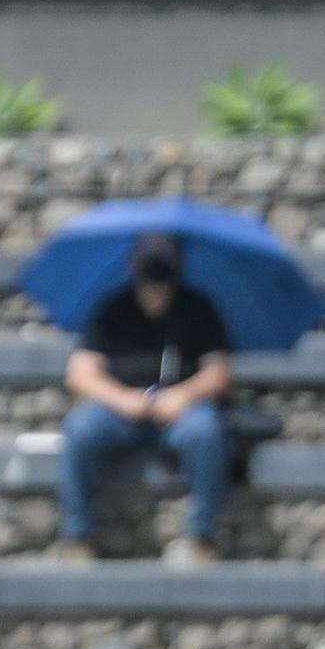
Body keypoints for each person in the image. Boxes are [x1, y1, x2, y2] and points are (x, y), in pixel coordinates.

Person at [59, 234, 232, 566]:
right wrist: (122, 398)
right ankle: (79, 536)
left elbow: (219, 371)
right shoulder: (113, 307)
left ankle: (202, 536)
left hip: (181, 412)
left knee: (206, 431)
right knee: (80, 429)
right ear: (133, 263)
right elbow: (80, 373)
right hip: (120, 411)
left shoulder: (198, 307)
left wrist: (183, 395)